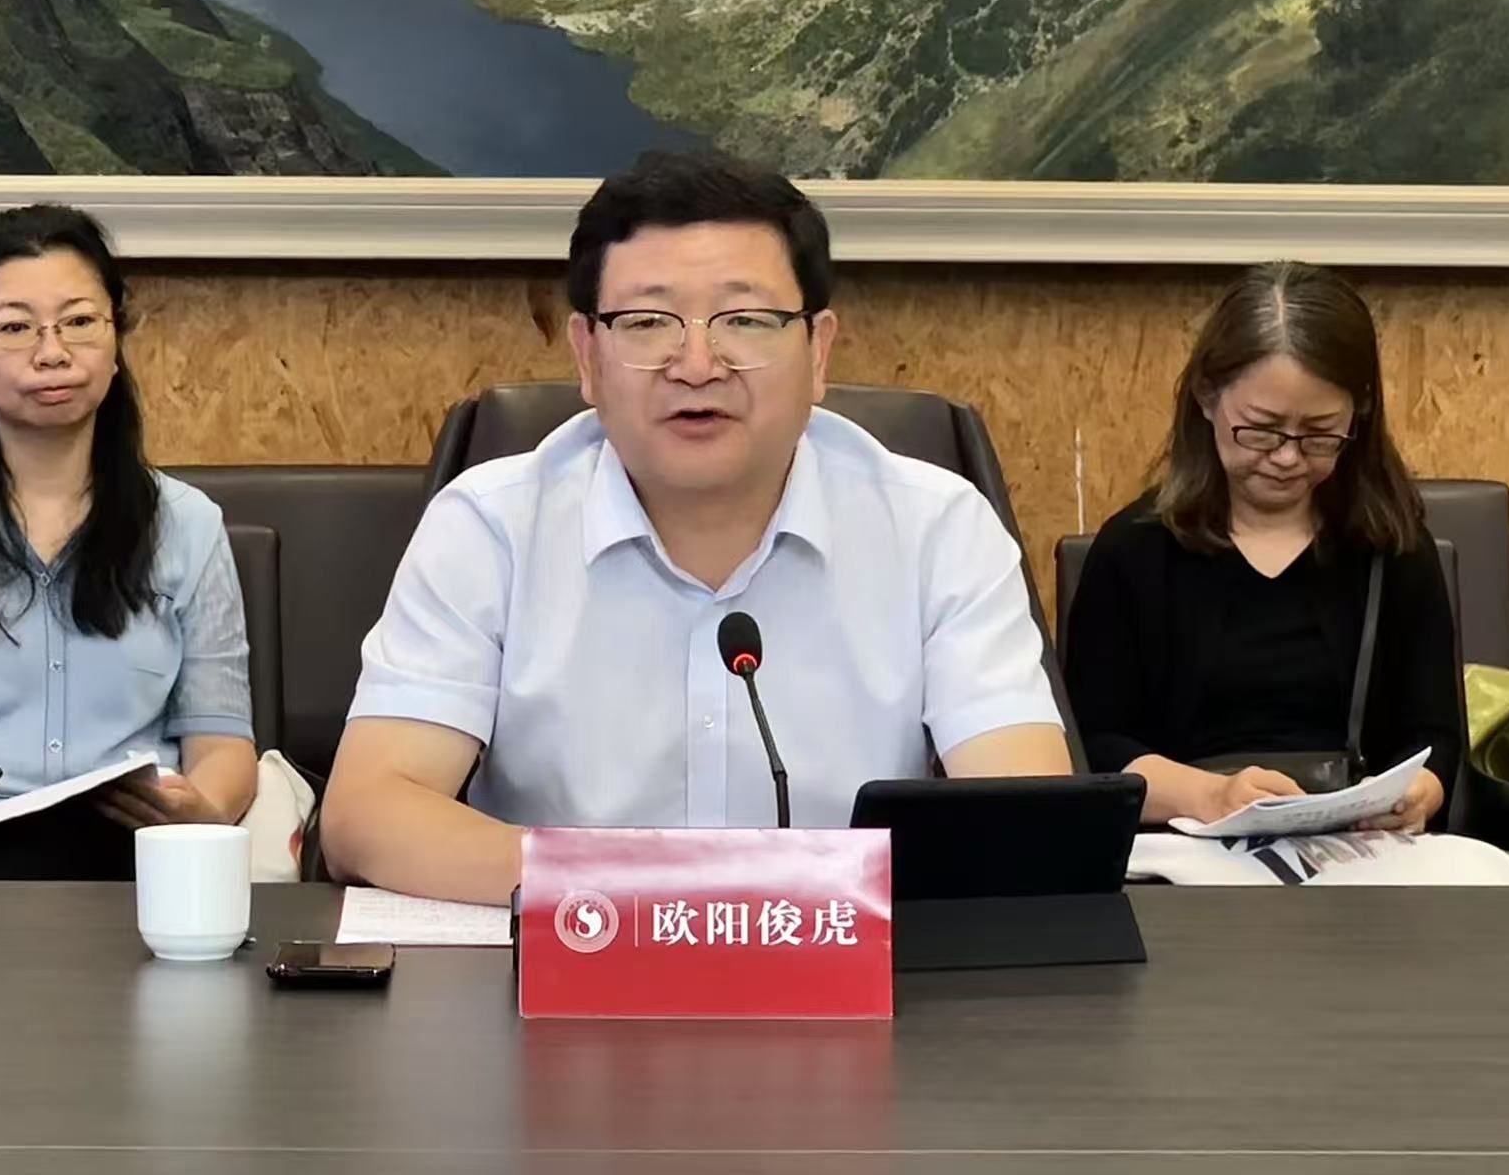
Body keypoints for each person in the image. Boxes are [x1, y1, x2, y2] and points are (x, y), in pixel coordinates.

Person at [322, 150, 1071, 902]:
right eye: (648, 322)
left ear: (818, 351)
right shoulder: (492, 527)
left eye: (745, 320)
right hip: (572, 957)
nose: (697, 364)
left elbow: (1023, 818)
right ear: (588, 356)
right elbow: (368, 813)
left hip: (843, 963)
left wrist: (759, 907)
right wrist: (667, 897)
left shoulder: (938, 529)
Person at [0, 205, 257, 879]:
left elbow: (223, 741)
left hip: (130, 869)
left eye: (79, 322)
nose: (52, 352)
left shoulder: (187, 523)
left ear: (116, 339)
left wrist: (201, 813)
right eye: (15, 327)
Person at [1065, 262, 1459, 832]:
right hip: (1183, 846)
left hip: (1357, 851)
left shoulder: (1392, 547)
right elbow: (1094, 745)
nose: (1287, 457)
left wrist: (1418, 794)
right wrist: (1210, 795)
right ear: (1206, 396)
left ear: (1360, 413)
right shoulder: (1134, 550)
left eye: (1319, 434)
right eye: (1262, 429)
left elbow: (1433, 735)